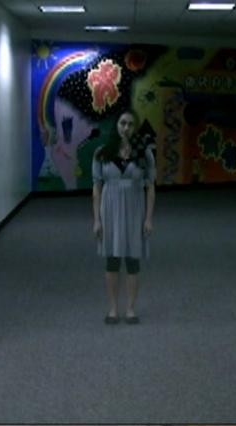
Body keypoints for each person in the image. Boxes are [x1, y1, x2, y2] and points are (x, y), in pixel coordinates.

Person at [92, 110, 156, 324]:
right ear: (116, 125)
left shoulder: (144, 153)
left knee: (132, 259)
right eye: (122, 123)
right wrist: (97, 220)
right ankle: (112, 308)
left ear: (135, 127)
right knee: (112, 260)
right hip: (110, 209)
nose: (126, 127)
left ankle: (130, 308)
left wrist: (148, 218)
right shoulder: (102, 152)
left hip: (135, 210)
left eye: (130, 124)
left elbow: (150, 187)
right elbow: (96, 187)